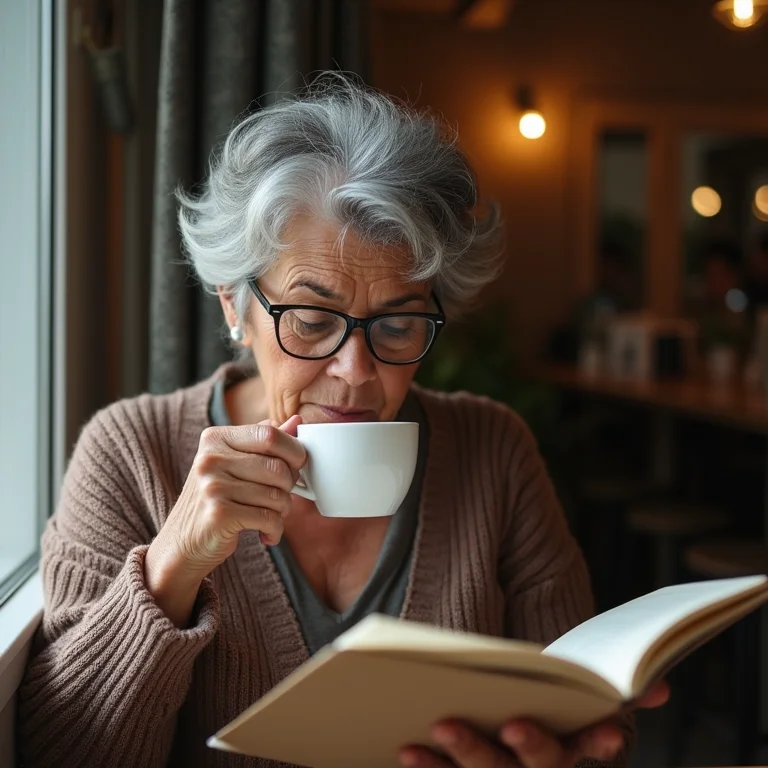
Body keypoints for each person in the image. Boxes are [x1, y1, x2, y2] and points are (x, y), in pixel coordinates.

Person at [18, 75, 667, 768]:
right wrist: (173, 564)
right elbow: (63, 751)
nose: (356, 370)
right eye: (312, 318)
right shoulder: (129, 453)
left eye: (397, 323)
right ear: (234, 306)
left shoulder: (494, 452)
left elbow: (584, 719)